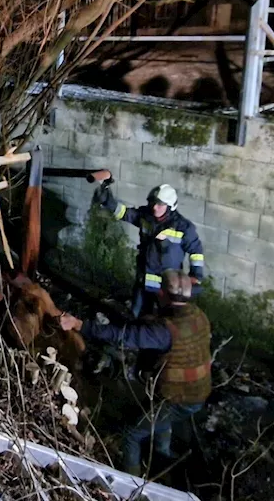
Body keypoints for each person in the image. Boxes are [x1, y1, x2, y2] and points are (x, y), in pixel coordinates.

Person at [60, 270, 211, 476]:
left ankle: (133, 484)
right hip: (200, 390)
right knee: (160, 419)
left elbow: (122, 336)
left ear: (163, 294)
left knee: (131, 434)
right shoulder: (198, 316)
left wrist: (79, 324)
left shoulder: (163, 331)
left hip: (179, 398)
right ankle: (161, 455)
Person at [94, 182, 205, 318]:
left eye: (159, 204)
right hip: (144, 279)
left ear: (170, 206)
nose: (154, 208)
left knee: (164, 320)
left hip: (166, 286)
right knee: (136, 315)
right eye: (152, 203)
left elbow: (196, 251)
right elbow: (125, 213)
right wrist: (108, 202)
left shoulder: (183, 227)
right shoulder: (145, 215)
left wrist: (196, 275)